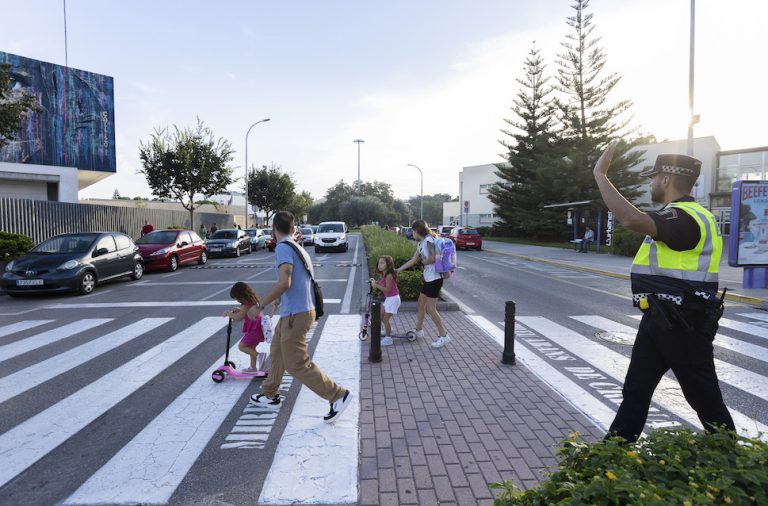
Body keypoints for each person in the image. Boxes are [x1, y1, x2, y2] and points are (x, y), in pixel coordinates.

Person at [593, 144, 735, 442]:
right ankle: (611, 457)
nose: (651, 183)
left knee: (706, 402)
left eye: (654, 177)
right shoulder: (682, 215)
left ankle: (735, 469)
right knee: (635, 392)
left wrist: (601, 175)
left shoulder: (685, 218)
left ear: (667, 179)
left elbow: (632, 220)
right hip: (660, 319)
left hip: (684, 324)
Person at [250, 211, 352, 423]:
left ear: (273, 229)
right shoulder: (297, 247)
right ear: (294, 228)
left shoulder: (282, 248)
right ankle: (270, 393)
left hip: (296, 315)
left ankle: (338, 395)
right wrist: (279, 302)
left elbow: (285, 282)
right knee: (276, 350)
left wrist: (260, 305)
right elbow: (297, 282)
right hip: (296, 310)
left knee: (296, 363)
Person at [396, 220, 451, 348]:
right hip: (429, 279)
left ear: (416, 231)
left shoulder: (429, 241)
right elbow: (414, 259)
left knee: (431, 308)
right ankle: (419, 330)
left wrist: (423, 262)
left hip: (435, 279)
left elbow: (432, 258)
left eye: (412, 231)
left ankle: (444, 336)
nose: (411, 233)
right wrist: (399, 269)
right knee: (421, 304)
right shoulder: (421, 243)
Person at [223, 282, 266, 372]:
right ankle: (252, 368)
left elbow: (239, 317)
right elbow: (245, 311)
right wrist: (239, 309)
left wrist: (229, 314)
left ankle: (259, 355)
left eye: (237, 298)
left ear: (241, 295)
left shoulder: (246, 304)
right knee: (251, 347)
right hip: (258, 328)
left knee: (242, 346)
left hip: (255, 330)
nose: (238, 301)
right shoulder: (251, 301)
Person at [370, 255, 401, 346]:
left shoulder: (389, 276)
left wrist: (376, 286)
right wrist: (375, 282)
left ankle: (388, 338)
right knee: (381, 315)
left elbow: (387, 289)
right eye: (379, 263)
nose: (380, 265)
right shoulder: (384, 274)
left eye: (382, 263)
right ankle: (389, 330)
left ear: (388, 265)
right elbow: (381, 282)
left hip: (393, 299)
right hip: (390, 299)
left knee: (385, 318)